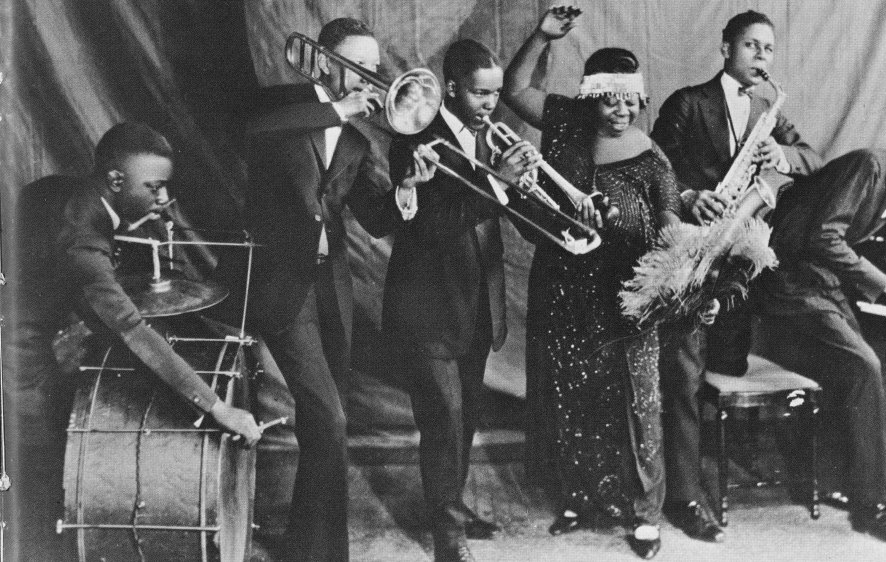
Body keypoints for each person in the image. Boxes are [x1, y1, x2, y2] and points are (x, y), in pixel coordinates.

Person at [4, 122, 261, 561]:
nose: (163, 199)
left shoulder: (59, 190)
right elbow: (129, 329)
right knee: (37, 485)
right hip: (15, 361)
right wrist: (218, 407)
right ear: (116, 181)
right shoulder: (82, 241)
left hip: (27, 330)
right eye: (155, 188)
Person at [503, 9, 685, 559]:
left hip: (628, 296)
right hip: (563, 288)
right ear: (590, 98)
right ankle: (581, 496)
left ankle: (646, 514)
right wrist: (542, 37)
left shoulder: (654, 160)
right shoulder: (563, 122)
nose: (622, 111)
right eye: (611, 100)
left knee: (639, 404)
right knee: (573, 394)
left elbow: (674, 228)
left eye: (630, 101)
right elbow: (514, 89)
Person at [648, 9, 822, 543]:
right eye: (751, 47)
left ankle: (705, 476)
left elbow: (814, 159)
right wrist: (686, 197)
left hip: (738, 264)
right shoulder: (687, 102)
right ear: (725, 49)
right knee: (681, 377)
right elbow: (653, 169)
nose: (761, 58)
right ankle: (684, 496)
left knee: (721, 369)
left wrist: (784, 156)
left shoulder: (768, 108)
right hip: (691, 252)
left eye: (768, 49)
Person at [233, 17, 395, 561]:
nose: (370, 76)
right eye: (358, 63)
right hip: (283, 284)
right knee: (330, 419)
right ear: (324, 60)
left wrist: (407, 193)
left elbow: (373, 217)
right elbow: (251, 132)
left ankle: (311, 544)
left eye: (374, 67)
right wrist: (341, 109)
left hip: (332, 287)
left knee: (324, 422)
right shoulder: (280, 107)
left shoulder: (355, 138)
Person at [755, 121, 886, 548]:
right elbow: (825, 237)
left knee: (861, 369)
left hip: (817, 282)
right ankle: (874, 507)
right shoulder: (871, 165)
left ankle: (839, 480)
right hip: (788, 283)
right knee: (865, 365)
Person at [382, 38, 541, 562]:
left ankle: (449, 505)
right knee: (444, 420)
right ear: (450, 88)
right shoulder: (415, 138)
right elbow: (428, 225)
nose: (491, 105)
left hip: (478, 304)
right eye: (479, 94)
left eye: (496, 94)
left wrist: (526, 188)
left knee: (466, 416)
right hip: (428, 306)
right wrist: (499, 186)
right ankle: (448, 537)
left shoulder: (491, 139)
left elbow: (509, 214)